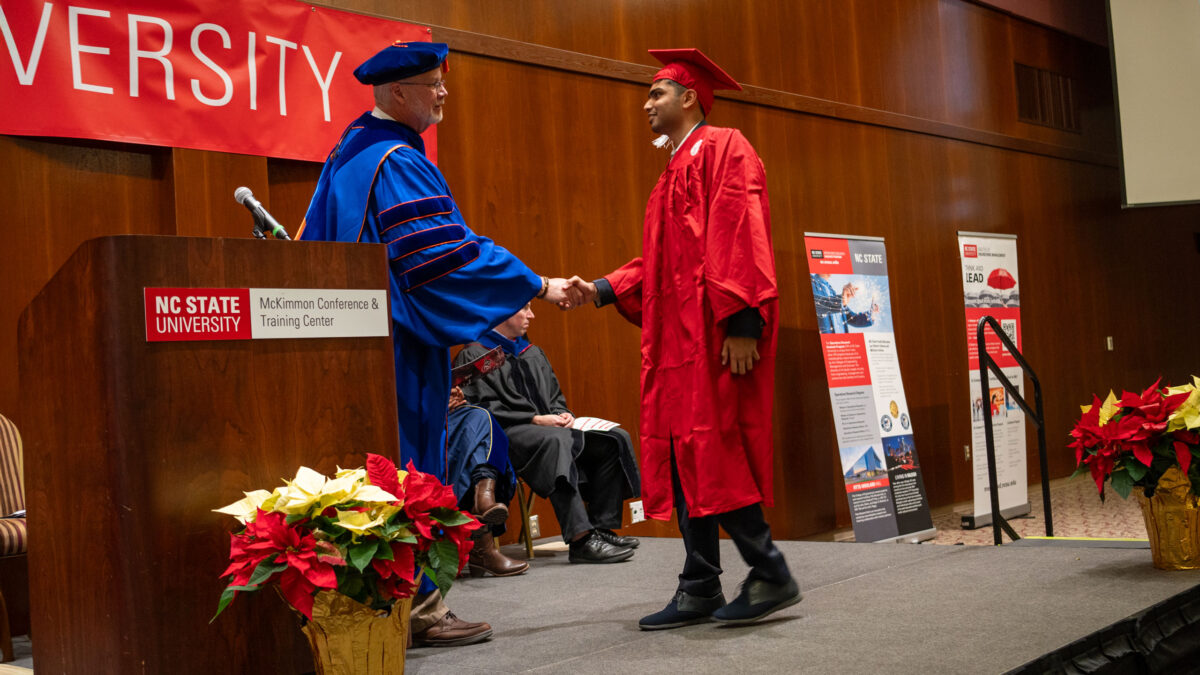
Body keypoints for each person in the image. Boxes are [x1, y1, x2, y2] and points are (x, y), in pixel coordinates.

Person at [297, 41, 571, 647]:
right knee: (404, 467)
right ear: (398, 93)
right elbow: (444, 258)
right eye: (433, 83)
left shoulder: (349, 152)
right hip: (396, 345)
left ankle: (379, 610)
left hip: (354, 340)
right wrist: (538, 284)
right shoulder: (395, 159)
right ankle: (415, 610)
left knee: (369, 471)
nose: (444, 93)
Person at [565, 48, 800, 629]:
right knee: (682, 453)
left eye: (656, 93)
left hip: (716, 337)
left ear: (689, 96)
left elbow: (740, 228)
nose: (645, 104)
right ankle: (699, 585)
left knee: (713, 451)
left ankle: (770, 570)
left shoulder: (724, 147)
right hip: (676, 344)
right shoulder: (673, 166)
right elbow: (661, 264)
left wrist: (744, 319)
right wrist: (599, 288)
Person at [456, 303, 641, 564]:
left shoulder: (532, 352)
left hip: (548, 430)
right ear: (502, 311)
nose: (531, 315)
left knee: (613, 439)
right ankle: (581, 539)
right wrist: (534, 419)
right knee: (555, 441)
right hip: (506, 436)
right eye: (525, 309)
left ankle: (601, 528)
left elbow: (555, 396)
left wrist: (562, 414)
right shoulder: (476, 355)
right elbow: (480, 409)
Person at [446, 386, 529, 577]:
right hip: (420, 427)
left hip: (448, 418)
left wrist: (451, 394)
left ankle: (483, 494)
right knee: (481, 424)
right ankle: (483, 500)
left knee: (480, 419)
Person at [811, 273, 878, 334]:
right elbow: (816, 304)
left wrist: (872, 314)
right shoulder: (811, 281)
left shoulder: (831, 291)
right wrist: (840, 301)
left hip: (842, 343)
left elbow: (852, 318)